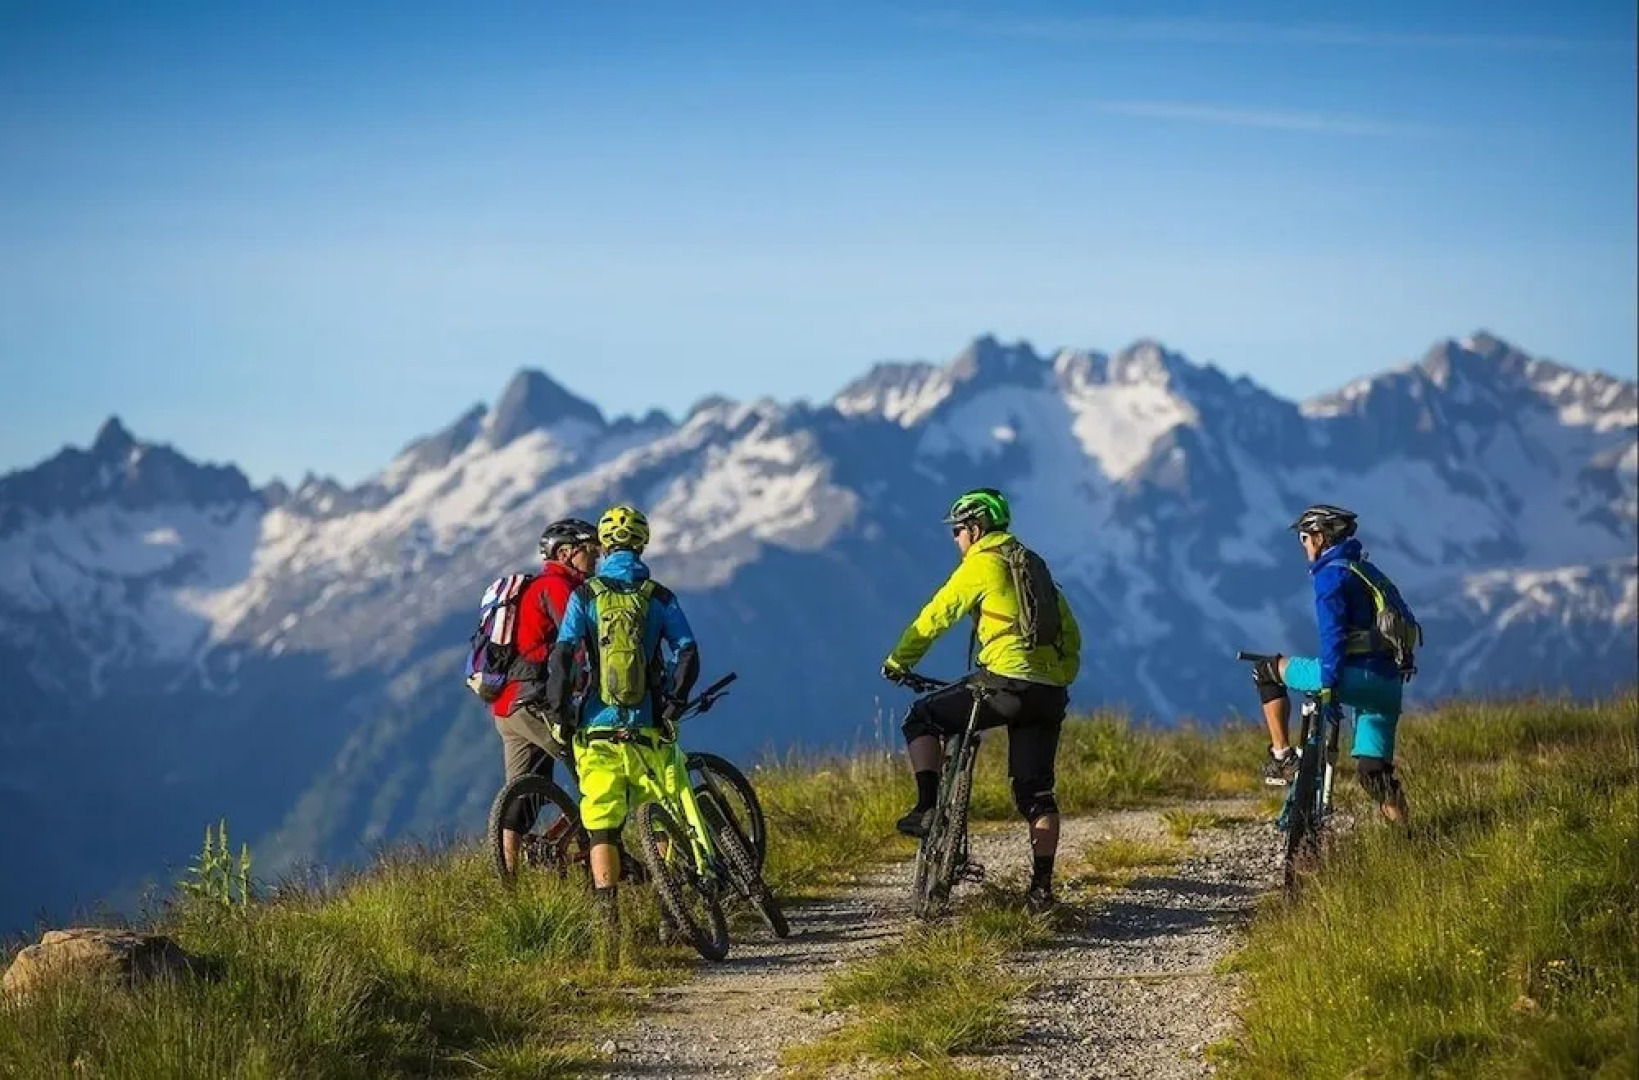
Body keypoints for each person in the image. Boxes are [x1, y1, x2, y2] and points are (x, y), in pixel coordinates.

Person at [881, 488, 1082, 913]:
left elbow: (936, 616)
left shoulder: (982, 563)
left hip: (1004, 684)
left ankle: (927, 807)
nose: (955, 538)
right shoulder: (1034, 565)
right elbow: (1071, 633)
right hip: (1049, 692)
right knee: (1037, 793)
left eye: (957, 530)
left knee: (922, 718)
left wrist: (899, 661)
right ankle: (1041, 890)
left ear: (976, 528)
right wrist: (1054, 682)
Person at [543, 504, 702, 935]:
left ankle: (608, 920)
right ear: (642, 543)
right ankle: (670, 910)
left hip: (597, 729)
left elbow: (563, 657)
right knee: (665, 811)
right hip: (648, 728)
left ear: (605, 545)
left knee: (602, 825)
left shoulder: (585, 595)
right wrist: (671, 706)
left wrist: (561, 716)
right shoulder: (658, 596)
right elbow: (687, 653)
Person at [1251, 504, 1415, 825]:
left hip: (1350, 677)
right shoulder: (1369, 572)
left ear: (1321, 538)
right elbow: (1405, 622)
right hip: (1387, 686)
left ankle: (1282, 757)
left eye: (1304, 538)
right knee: (1374, 774)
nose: (1304, 546)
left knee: (1267, 671)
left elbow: (1332, 637)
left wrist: (1329, 683)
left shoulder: (1330, 575)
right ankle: (1408, 837)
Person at [491, 517, 601, 873]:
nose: (596, 558)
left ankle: (509, 877)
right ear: (567, 553)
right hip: (536, 701)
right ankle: (606, 857)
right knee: (599, 772)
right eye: (590, 551)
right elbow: (578, 645)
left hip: (508, 708)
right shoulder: (557, 586)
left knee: (524, 795)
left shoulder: (538, 585)